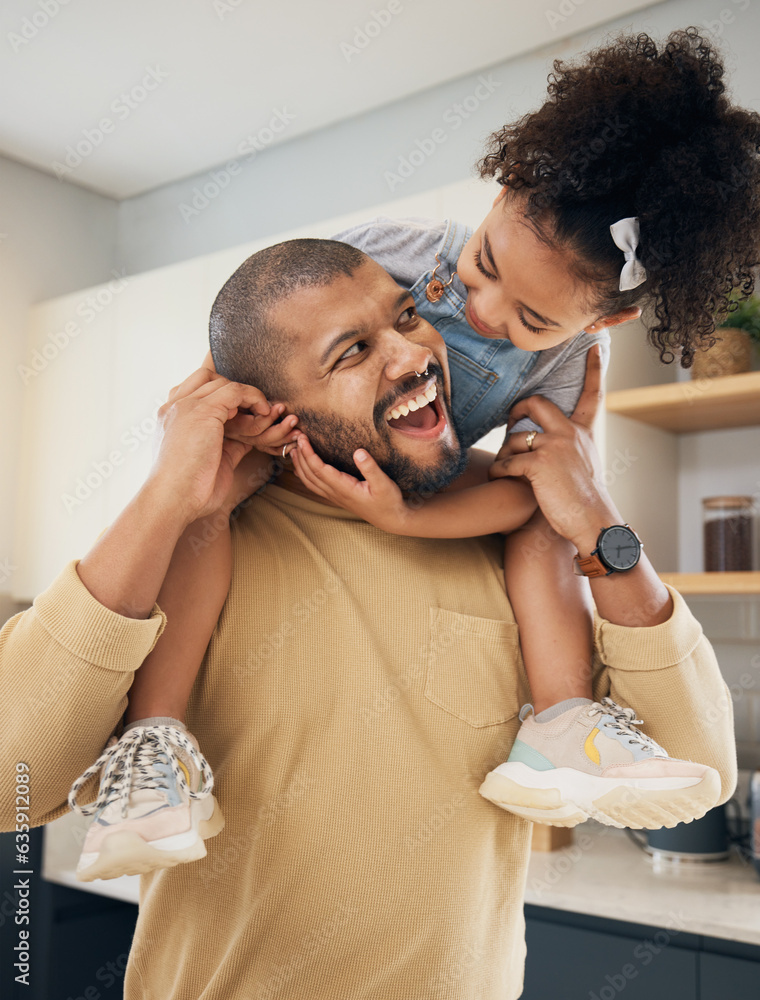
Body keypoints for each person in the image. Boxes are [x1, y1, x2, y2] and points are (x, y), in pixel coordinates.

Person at [65, 26, 758, 877]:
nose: (487, 312)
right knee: (211, 509)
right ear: (500, 191)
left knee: (551, 497)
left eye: (533, 321)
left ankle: (561, 720)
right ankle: (154, 747)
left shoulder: (569, 368)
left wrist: (420, 519)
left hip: (449, 483)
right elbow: (252, 337)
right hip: (300, 459)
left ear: (604, 322)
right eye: (480, 268)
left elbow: (533, 498)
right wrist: (188, 444)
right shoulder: (389, 251)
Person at [0, 240, 737, 999]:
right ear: (271, 405)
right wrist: (164, 498)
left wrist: (600, 524)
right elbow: (8, 781)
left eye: (409, 316)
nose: (416, 354)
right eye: (353, 352)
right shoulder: (196, 547)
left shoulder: (515, 544)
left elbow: (696, 775)